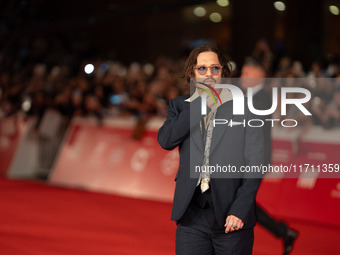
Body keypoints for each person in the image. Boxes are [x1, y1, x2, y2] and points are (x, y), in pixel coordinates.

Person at [158, 44, 264, 255]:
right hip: (191, 216)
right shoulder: (180, 106)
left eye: (215, 68)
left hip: (231, 217)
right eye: (202, 69)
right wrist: (201, 104)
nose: (209, 74)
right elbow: (166, 140)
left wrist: (239, 210)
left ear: (223, 72)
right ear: (192, 73)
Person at [241, 58, 299, 255]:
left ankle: (283, 232)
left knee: (240, 201)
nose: (241, 77)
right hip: (246, 159)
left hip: (254, 159)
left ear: (258, 77)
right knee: (241, 202)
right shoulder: (249, 97)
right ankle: (284, 232)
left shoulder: (262, 99)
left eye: (246, 74)